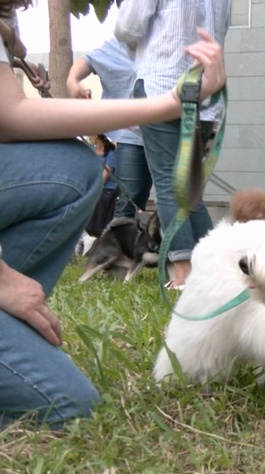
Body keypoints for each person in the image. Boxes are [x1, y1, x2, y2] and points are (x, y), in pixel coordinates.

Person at [0, 0, 227, 429]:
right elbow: (12, 115)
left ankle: (194, 276)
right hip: (170, 91)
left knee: (79, 169)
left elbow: (11, 113)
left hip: (174, 93)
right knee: (68, 408)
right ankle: (185, 278)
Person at [116, 0, 231, 290]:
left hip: (162, 82)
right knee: (190, 189)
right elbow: (222, 29)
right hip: (206, 95)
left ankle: (183, 274)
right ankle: (217, 271)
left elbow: (127, 26)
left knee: (169, 181)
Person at [67, 36, 153, 219]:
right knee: (130, 200)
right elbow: (88, 61)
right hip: (131, 137)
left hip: (168, 133)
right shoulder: (118, 45)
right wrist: (73, 82)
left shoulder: (168, 39)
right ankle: (119, 245)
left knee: (174, 199)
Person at [85, 134, 119, 238]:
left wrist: (94, 187)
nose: (89, 137)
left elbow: (106, 174)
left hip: (106, 189)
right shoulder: (92, 151)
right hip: (93, 188)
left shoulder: (110, 154)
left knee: (100, 220)